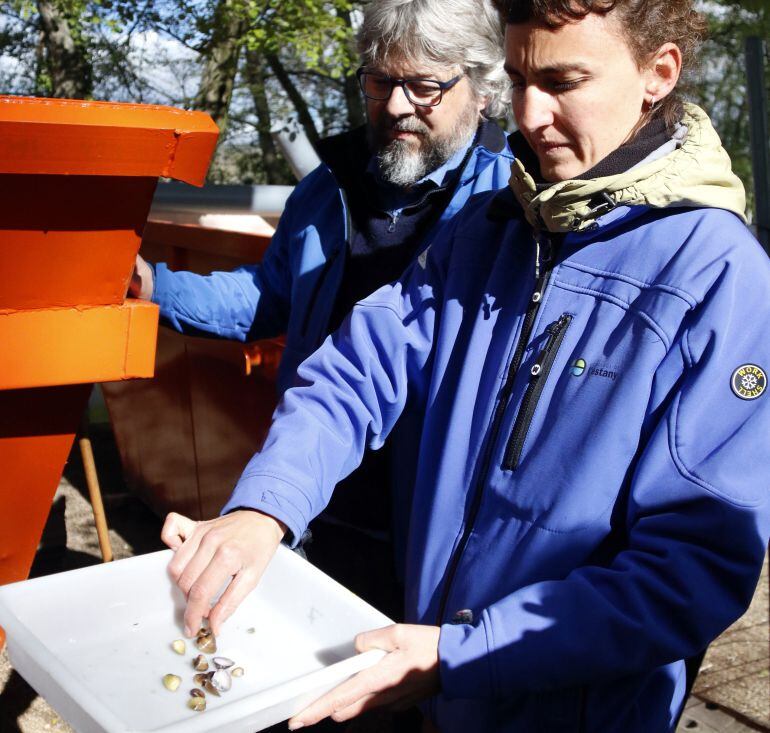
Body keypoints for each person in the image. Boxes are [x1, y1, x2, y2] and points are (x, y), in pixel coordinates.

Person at [161, 1, 770, 731]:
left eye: (563, 80)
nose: (530, 115)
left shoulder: (717, 277)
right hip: (440, 688)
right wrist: (266, 505)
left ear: (657, 73)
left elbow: (690, 569)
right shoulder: (491, 233)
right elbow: (356, 371)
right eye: (517, 78)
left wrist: (466, 651)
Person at [131, 0, 512, 620]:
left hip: (429, 528)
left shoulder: (509, 206)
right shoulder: (326, 188)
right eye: (380, 81)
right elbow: (268, 298)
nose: (394, 106)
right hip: (313, 498)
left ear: (483, 89)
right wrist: (156, 287)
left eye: (423, 86)